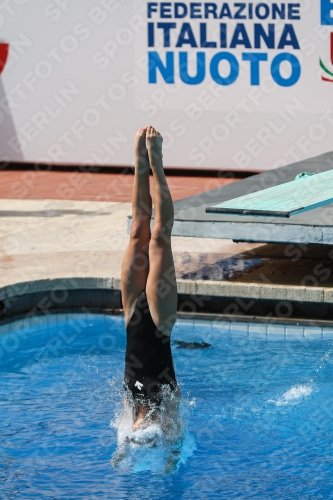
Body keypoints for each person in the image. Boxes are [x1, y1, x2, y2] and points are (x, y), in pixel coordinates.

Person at [121, 125, 179, 435]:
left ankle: (139, 163)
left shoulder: (130, 409)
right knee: (159, 238)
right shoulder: (167, 404)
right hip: (159, 323)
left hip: (131, 319)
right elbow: (178, 439)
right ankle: (156, 162)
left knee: (137, 231)